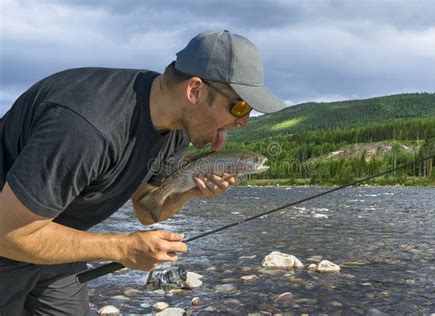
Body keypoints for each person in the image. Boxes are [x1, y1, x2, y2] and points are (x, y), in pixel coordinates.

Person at [0, 30, 285, 314]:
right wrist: (121, 248)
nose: (246, 122)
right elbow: (8, 233)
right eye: (240, 106)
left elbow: (147, 211)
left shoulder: (176, 127)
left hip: (56, 242)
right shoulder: (88, 128)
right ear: (194, 90)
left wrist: (187, 191)